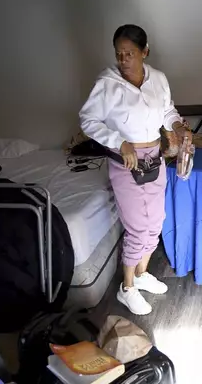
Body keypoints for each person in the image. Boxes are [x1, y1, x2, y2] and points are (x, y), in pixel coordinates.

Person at [79, 24, 192, 315]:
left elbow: (167, 110)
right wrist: (120, 143)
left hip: (155, 157)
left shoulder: (159, 80)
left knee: (156, 222)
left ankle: (141, 276)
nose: (124, 59)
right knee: (137, 227)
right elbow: (89, 121)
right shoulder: (107, 84)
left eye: (130, 53)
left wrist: (177, 124)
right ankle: (126, 288)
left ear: (145, 52)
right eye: (119, 54)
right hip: (126, 162)